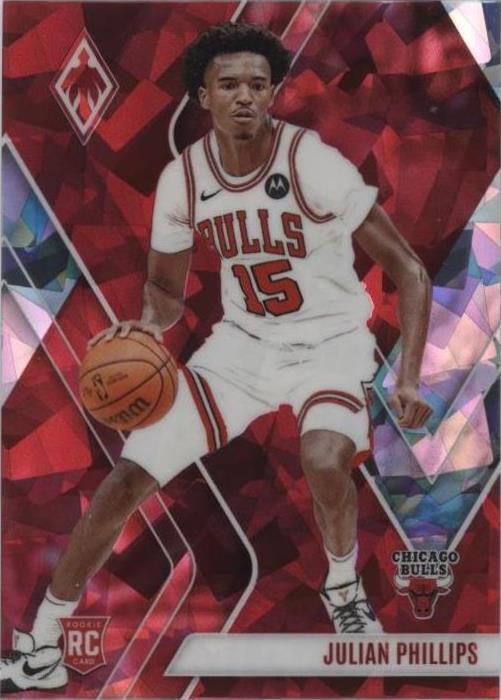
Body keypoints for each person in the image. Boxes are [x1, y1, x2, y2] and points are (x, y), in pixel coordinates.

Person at [1, 22, 432, 693]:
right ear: (203, 95)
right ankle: (43, 645)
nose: (245, 95)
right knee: (124, 481)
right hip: (242, 347)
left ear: (272, 93)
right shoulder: (185, 178)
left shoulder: (311, 162)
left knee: (323, 459)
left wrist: (407, 378)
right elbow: (164, 291)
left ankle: (343, 588)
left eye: (258, 84)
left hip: (329, 344)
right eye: (229, 84)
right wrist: (146, 328)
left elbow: (409, 270)